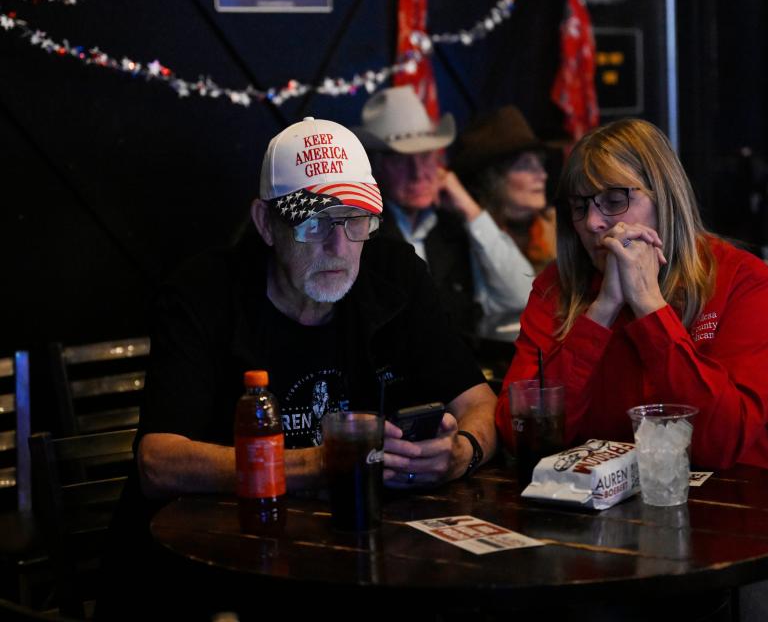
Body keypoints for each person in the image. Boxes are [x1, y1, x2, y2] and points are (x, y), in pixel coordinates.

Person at [100, 117, 496, 618]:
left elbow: (479, 402)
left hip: (357, 560)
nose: (338, 247)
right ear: (266, 224)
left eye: (355, 219)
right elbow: (158, 462)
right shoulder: (202, 293)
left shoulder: (395, 274)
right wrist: (325, 463)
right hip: (206, 573)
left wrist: (463, 451)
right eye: (313, 222)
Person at [494, 118, 768, 622]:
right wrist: (602, 311)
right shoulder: (555, 291)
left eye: (614, 199)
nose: (594, 223)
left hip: (747, 527)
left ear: (664, 196)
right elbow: (521, 434)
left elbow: (719, 442)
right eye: (580, 206)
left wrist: (650, 306)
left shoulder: (742, 280)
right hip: (605, 529)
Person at [356, 86, 534, 331]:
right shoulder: (359, 233)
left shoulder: (454, 227)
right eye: (400, 159)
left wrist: (471, 210)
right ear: (375, 167)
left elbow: (522, 297)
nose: (418, 172)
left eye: (426, 156)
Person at [454, 105, 556, 274]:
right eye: (525, 165)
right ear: (494, 179)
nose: (542, 175)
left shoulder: (561, 230)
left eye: (540, 163)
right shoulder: (466, 239)